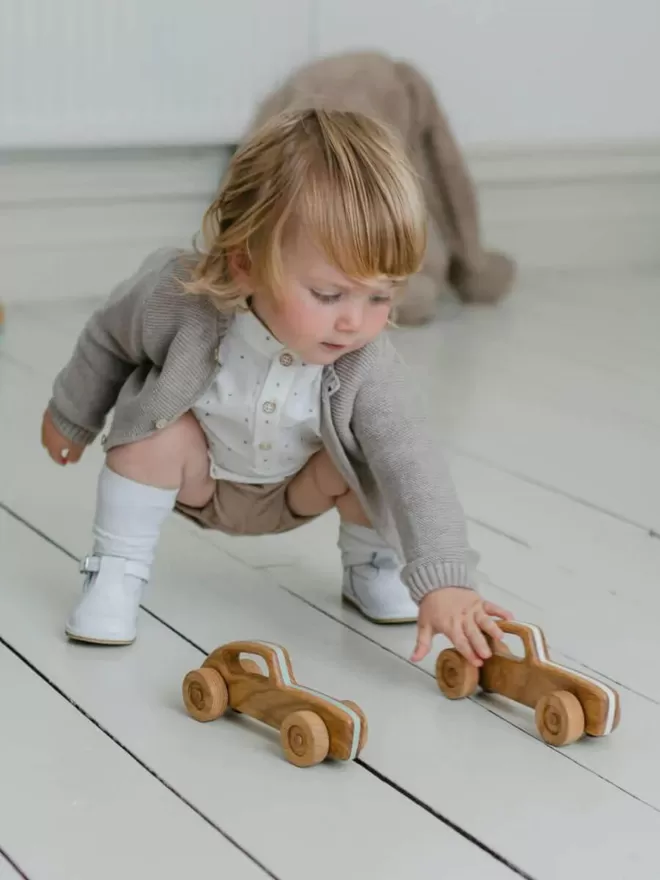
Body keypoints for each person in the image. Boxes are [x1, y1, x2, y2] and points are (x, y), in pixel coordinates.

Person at [41, 108, 512, 665]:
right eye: (330, 295)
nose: (355, 322)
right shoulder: (177, 299)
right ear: (245, 264)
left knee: (375, 457)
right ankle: (116, 571)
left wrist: (445, 578)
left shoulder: (368, 366)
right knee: (152, 436)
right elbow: (108, 338)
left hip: (296, 491)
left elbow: (416, 468)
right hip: (198, 479)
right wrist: (72, 413)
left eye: (381, 296)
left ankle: (372, 564)